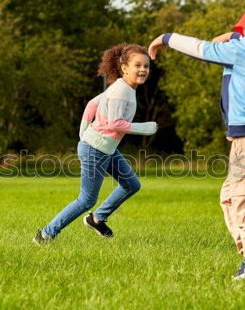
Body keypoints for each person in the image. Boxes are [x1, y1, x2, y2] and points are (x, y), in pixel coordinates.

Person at [148, 0, 245, 281]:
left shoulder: (243, 50)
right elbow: (239, 39)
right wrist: (236, 34)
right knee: (230, 198)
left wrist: (166, 37)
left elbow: (202, 48)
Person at [33, 43, 157, 244]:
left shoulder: (123, 87)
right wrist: (144, 127)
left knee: (131, 184)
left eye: (146, 66)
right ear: (125, 68)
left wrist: (84, 134)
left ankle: (97, 219)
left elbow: (92, 104)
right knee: (86, 199)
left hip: (105, 149)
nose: (143, 70)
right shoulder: (121, 91)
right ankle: (45, 234)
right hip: (96, 150)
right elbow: (114, 123)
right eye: (138, 65)